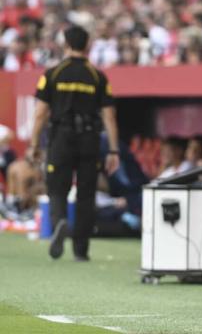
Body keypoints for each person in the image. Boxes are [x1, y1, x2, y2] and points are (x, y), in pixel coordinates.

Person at [28, 25, 120, 261]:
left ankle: (60, 223)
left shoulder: (53, 74)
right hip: (89, 138)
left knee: (57, 189)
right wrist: (113, 150)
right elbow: (109, 116)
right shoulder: (97, 76)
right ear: (87, 45)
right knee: (87, 194)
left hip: (61, 137)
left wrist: (34, 144)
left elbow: (40, 113)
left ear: (65, 44)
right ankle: (81, 249)